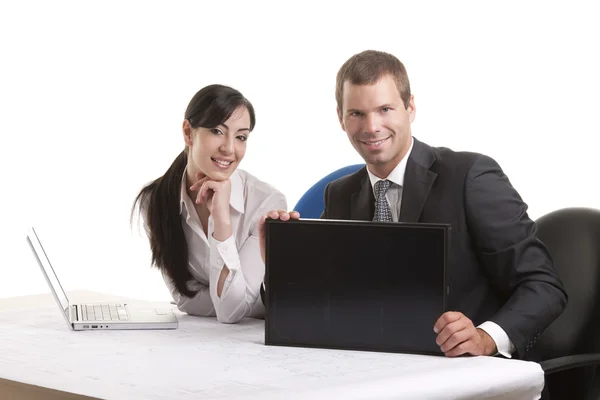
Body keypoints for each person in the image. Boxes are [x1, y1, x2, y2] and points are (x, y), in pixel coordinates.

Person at [259, 50, 567, 359]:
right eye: (357, 114)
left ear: (410, 107)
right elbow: (318, 303)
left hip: (464, 369)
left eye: (385, 109)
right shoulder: (340, 194)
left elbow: (543, 287)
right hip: (374, 366)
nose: (371, 126)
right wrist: (279, 262)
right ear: (340, 117)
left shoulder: (470, 177)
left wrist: (486, 337)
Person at [134, 84, 286, 324]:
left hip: (251, 340)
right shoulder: (155, 200)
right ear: (188, 133)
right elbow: (185, 299)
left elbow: (231, 314)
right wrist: (235, 300)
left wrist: (222, 219)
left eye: (241, 137)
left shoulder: (265, 202)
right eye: (217, 131)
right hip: (200, 340)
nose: (228, 148)